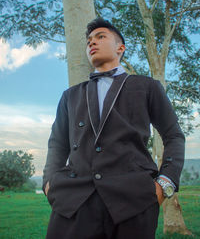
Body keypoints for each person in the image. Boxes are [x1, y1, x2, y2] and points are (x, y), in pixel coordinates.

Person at [43, 18, 185, 239]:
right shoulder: (70, 95)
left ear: (121, 48)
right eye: (89, 40)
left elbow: (173, 135)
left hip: (134, 201)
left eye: (101, 37)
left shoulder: (147, 87)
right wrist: (48, 184)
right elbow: (57, 144)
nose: (92, 42)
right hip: (73, 202)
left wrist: (165, 183)